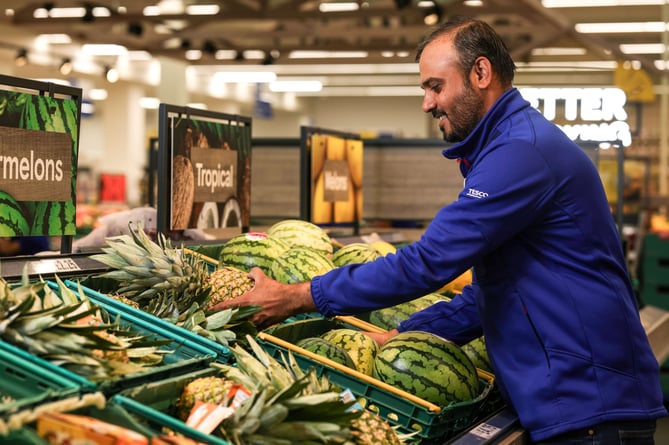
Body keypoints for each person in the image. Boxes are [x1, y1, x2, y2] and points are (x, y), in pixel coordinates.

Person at [213, 17, 667, 444]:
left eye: (435, 86)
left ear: (481, 73)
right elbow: (495, 291)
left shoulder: (521, 153)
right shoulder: (509, 146)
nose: (426, 103)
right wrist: (406, 335)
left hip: (590, 407)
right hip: (582, 403)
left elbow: (426, 262)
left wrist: (294, 295)